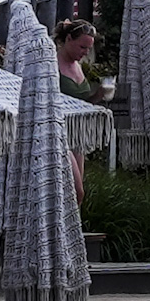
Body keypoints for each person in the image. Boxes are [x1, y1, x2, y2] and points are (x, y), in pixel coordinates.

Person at [56, 17, 104, 202]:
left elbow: (81, 101)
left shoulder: (77, 65)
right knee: (76, 190)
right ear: (68, 39)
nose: (85, 53)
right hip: (60, 133)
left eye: (88, 48)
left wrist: (97, 96)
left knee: (76, 195)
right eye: (82, 47)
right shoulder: (53, 63)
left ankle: (71, 228)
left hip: (76, 135)